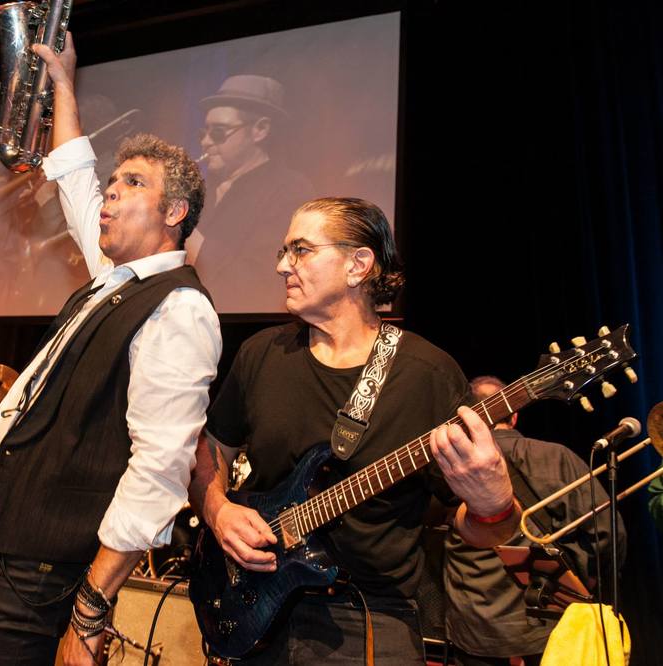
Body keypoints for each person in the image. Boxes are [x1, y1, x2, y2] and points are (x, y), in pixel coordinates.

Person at [0, 34, 221, 666]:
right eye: (113, 182)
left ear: (174, 212)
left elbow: (161, 466)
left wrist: (92, 605)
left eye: (132, 183)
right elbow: (74, 175)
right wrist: (62, 83)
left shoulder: (180, 308)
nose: (109, 192)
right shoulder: (112, 277)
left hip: (42, 559)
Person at [187, 197, 520, 664]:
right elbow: (210, 450)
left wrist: (493, 505)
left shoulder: (426, 374)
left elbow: (484, 532)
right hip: (258, 611)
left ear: (358, 265)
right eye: (284, 251)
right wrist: (218, 510)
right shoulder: (261, 353)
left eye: (301, 250)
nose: (282, 265)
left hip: (370, 623)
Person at [444, 375, 625, 666]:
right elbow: (606, 534)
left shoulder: (447, 467)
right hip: (546, 628)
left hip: (474, 630)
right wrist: (583, 587)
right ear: (514, 416)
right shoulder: (556, 457)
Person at [191, 74, 315, 312]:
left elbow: (264, 279)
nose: (205, 142)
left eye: (218, 132)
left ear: (260, 130)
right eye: (203, 133)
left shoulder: (291, 190)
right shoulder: (203, 189)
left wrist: (186, 234)